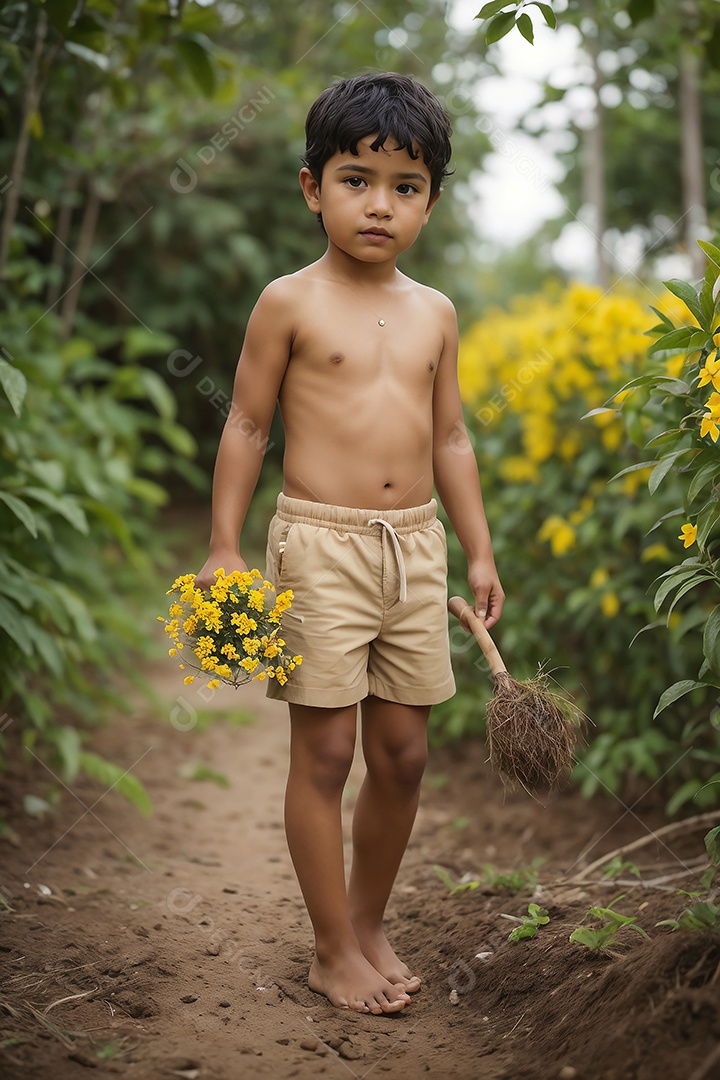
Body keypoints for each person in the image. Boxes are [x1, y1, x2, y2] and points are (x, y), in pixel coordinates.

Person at [194, 72, 504, 1015]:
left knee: (404, 755)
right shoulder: (287, 303)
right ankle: (331, 947)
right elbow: (246, 426)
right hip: (318, 548)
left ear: (431, 201)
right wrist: (224, 546)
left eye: (404, 186)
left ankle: (368, 921)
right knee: (325, 757)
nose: (379, 203)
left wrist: (479, 550)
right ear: (310, 187)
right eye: (355, 178)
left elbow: (451, 437)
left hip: (415, 552)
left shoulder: (436, 313)